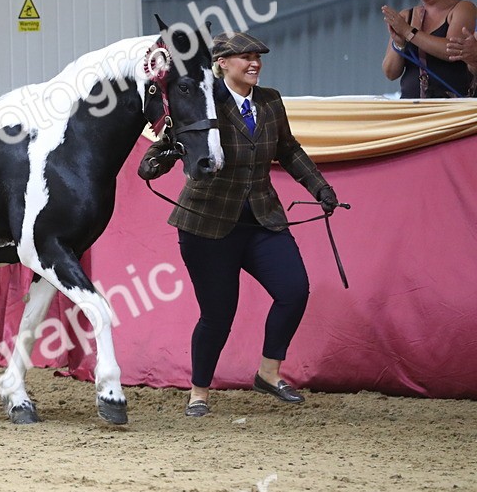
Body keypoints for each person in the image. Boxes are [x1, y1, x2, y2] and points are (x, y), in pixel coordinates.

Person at [138, 31, 338, 417]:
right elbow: (169, 140)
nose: (254, 63)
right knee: (218, 315)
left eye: (258, 57)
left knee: (294, 290)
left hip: (262, 218)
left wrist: (321, 188)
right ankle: (199, 392)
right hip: (207, 223)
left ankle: (268, 372)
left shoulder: (271, 101)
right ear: (221, 64)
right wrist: (155, 160)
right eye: (244, 57)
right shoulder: (202, 96)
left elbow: (289, 149)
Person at [381, 0, 476, 98]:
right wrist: (399, 43)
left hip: (451, 111)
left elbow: (451, 50)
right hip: (413, 111)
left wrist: (408, 32)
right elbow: (390, 73)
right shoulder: (407, 16)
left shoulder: (463, 8)